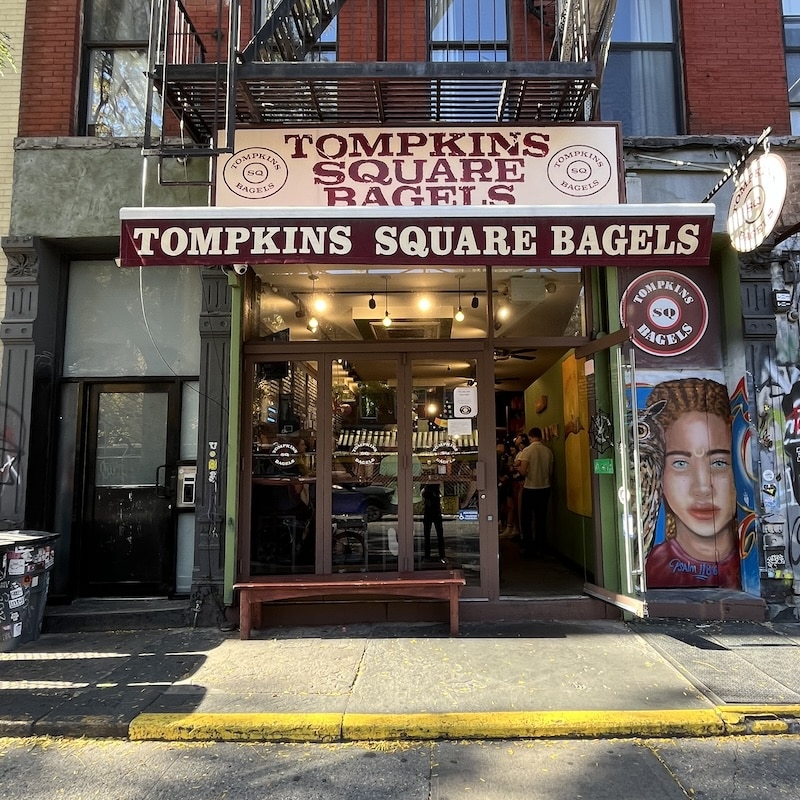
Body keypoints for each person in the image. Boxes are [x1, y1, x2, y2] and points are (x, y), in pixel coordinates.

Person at [642, 378, 740, 589]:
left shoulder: (749, 557)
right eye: (680, 463)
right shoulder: (647, 571)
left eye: (719, 462)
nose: (703, 488)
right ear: (661, 474)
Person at [515, 427, 554, 557]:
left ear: (530, 437)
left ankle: (528, 547)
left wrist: (519, 468)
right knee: (541, 518)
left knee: (526, 519)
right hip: (545, 487)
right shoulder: (548, 451)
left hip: (530, 488)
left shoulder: (527, 451)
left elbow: (523, 471)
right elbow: (550, 471)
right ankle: (541, 545)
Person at [421, 482, 445, 563]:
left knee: (436, 535)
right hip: (431, 511)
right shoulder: (428, 487)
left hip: (432, 511)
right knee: (432, 535)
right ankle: (431, 556)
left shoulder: (435, 486)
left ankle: (439, 555)